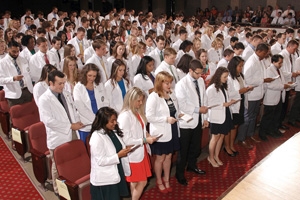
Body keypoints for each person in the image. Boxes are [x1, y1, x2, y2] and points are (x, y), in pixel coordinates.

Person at [38, 70, 84, 195]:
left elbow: (73, 111)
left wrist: (77, 122)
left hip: (73, 132)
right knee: (58, 165)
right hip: (58, 136)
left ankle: (71, 183)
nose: (62, 86)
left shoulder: (66, 94)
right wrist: (70, 126)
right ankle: (58, 190)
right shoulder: (44, 99)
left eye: (64, 83)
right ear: (51, 83)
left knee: (72, 160)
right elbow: (48, 121)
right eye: (59, 84)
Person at [117, 87, 157, 200]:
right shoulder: (125, 116)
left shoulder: (136, 112)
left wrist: (147, 134)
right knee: (142, 181)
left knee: (136, 182)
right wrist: (144, 140)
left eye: (141, 101)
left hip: (141, 152)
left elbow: (140, 129)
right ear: (131, 99)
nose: (140, 103)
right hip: (133, 154)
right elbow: (126, 140)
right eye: (138, 101)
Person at [175, 59, 209, 186]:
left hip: (198, 119)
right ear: (190, 70)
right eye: (197, 73)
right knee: (183, 150)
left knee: (195, 147)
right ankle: (179, 174)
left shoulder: (200, 81)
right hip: (186, 122)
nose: (200, 76)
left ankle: (192, 165)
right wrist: (197, 109)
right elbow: (182, 105)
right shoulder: (181, 84)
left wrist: (205, 117)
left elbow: (204, 98)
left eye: (201, 73)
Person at [146, 71, 180, 193]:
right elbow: (149, 117)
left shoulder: (170, 94)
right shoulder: (153, 96)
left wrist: (178, 114)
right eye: (166, 83)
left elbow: (174, 109)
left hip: (172, 129)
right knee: (160, 158)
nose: (169, 85)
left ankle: (167, 179)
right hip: (160, 132)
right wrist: (165, 119)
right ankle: (159, 181)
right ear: (160, 83)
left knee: (169, 156)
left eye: (170, 82)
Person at [89, 106, 131, 200]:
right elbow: (100, 161)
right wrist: (118, 155)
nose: (115, 123)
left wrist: (125, 149)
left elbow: (117, 147)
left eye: (115, 120)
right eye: (112, 121)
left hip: (116, 172)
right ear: (103, 121)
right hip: (104, 180)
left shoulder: (111, 132)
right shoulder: (96, 137)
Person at [239, 43, 273, 148]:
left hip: (258, 93)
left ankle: (250, 134)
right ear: (259, 51)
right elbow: (248, 79)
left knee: (254, 116)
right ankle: (242, 138)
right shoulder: (251, 61)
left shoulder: (260, 60)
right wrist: (263, 80)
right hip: (251, 94)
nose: (266, 54)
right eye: (264, 52)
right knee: (247, 117)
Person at [207, 67, 236, 167]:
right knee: (215, 137)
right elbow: (209, 103)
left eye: (227, 76)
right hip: (217, 115)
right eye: (225, 76)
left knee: (222, 135)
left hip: (225, 113)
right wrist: (223, 104)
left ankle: (216, 155)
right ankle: (210, 157)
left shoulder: (223, 86)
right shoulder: (211, 88)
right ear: (218, 76)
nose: (226, 78)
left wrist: (230, 102)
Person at [73, 64, 109, 144]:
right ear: (84, 74)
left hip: (101, 123)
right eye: (89, 76)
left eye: (94, 76)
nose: (92, 78)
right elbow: (81, 108)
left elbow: (105, 102)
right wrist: (96, 120)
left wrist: (103, 117)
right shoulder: (78, 88)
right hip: (86, 125)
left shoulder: (99, 85)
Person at [225, 57, 252, 156]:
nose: (241, 68)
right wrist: (241, 91)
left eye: (242, 66)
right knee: (230, 127)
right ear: (234, 66)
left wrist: (247, 88)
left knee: (236, 126)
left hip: (241, 102)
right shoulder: (229, 77)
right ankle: (227, 147)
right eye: (240, 66)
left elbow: (242, 86)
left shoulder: (240, 76)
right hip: (233, 105)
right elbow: (228, 93)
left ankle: (232, 145)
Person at [259, 54, 289, 141]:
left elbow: (281, 81)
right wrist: (283, 86)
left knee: (276, 115)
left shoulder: (278, 70)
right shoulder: (269, 70)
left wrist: (287, 84)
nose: (281, 65)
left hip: (278, 96)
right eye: (279, 63)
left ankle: (273, 130)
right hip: (271, 97)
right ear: (273, 62)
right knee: (268, 117)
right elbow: (270, 85)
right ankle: (262, 133)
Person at [0, 40, 33, 107]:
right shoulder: (2, 63)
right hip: (14, 94)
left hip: (27, 90)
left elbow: (28, 72)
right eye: (14, 51)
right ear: (8, 49)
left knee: (29, 115)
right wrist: (13, 78)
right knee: (16, 115)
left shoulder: (23, 59)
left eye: (18, 51)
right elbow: (1, 80)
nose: (16, 54)